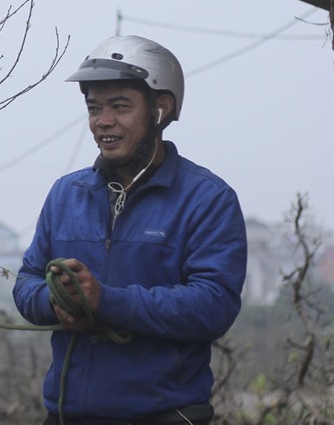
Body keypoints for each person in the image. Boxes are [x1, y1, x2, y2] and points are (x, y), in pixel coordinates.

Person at [13, 35, 247, 425]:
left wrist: (107, 302)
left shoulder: (207, 199)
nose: (103, 121)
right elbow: (26, 281)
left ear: (161, 109)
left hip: (165, 415)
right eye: (94, 108)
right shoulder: (66, 195)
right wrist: (54, 303)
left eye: (119, 106)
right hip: (66, 416)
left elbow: (214, 305)